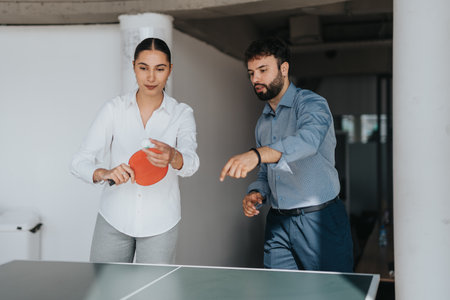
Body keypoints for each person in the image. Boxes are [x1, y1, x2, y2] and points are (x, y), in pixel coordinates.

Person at [220, 37, 353, 272]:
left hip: (319, 220)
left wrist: (257, 154)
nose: (255, 79)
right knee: (279, 292)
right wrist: (256, 192)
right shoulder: (262, 123)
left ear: (284, 68)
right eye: (251, 73)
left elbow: (308, 142)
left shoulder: (312, 104)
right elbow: (266, 171)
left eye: (262, 70)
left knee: (332, 293)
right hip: (278, 221)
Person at [71, 38, 199, 264]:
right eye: (143, 68)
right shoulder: (113, 109)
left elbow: (191, 163)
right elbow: (79, 162)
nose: (151, 77)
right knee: (103, 291)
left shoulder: (181, 114)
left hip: (161, 223)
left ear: (170, 69)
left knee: (154, 293)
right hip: (113, 218)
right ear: (133, 67)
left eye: (159, 69)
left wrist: (174, 156)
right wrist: (105, 173)